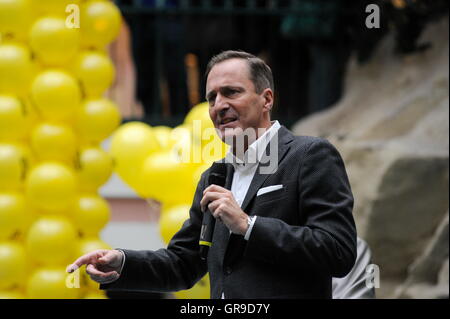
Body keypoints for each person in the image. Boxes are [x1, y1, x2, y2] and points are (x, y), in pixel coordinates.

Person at [67, 50, 357, 299]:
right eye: (211, 97)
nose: (219, 105)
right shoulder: (215, 176)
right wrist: (123, 263)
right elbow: (183, 263)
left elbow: (338, 252)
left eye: (231, 92)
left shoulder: (310, 155)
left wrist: (248, 226)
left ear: (266, 99)